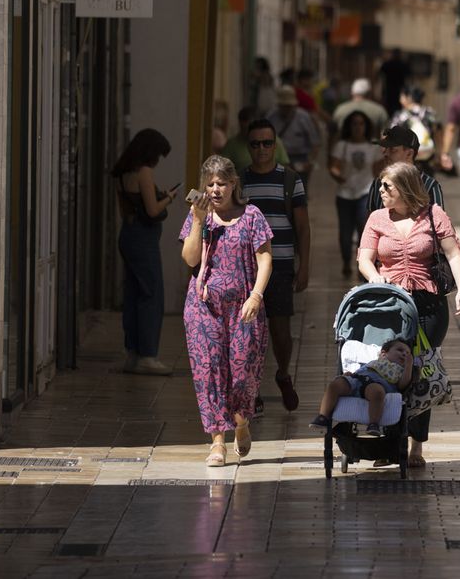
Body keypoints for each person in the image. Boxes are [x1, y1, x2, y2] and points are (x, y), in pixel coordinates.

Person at [358, 162, 460, 467]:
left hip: (429, 304)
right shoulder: (377, 219)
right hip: (392, 304)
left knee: (419, 369)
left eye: (387, 187)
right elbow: (364, 258)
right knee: (392, 370)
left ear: (405, 188)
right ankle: (392, 443)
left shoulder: (435, 215)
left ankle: (416, 445)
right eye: (381, 186)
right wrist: (373, 277)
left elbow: (453, 252)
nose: (381, 192)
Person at [180, 155, 272, 466]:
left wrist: (256, 296)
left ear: (234, 184)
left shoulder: (252, 216)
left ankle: (241, 421)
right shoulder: (201, 217)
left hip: (244, 306)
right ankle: (217, 441)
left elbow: (265, 258)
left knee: (242, 373)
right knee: (209, 372)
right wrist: (196, 221)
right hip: (204, 307)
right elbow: (190, 259)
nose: (216, 189)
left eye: (222, 183)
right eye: (210, 184)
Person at [242, 118, 310, 412]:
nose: (262, 149)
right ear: (249, 147)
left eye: (267, 143)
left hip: (281, 266)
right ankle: (252, 389)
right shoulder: (239, 181)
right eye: (256, 144)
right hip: (245, 270)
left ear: (275, 145)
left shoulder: (289, 179)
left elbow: (303, 227)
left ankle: (283, 373)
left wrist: (304, 265)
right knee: (248, 334)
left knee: (280, 330)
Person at [110, 128, 178, 375]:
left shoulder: (122, 173)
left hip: (127, 235)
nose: (157, 161)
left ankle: (132, 352)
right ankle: (148, 355)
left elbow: (124, 211)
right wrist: (169, 197)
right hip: (144, 238)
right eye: (158, 155)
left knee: (132, 294)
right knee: (151, 294)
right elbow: (152, 210)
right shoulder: (144, 173)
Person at [310, 339, 415, 435]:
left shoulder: (401, 370)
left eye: (408, 353)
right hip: (357, 380)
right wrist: (348, 375)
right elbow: (360, 371)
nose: (404, 354)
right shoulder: (376, 362)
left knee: (377, 393)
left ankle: (373, 423)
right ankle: (323, 416)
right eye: (400, 350)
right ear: (383, 353)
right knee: (335, 385)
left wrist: (408, 366)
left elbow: (403, 385)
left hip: (376, 385)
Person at [331, 111, 377, 276]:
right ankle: (346, 262)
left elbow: (378, 170)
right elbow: (334, 167)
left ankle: (362, 263)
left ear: (366, 126)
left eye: (361, 123)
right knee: (345, 232)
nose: (358, 127)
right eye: (354, 124)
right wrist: (339, 176)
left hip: (365, 193)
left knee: (364, 230)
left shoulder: (373, 147)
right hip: (344, 194)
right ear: (349, 127)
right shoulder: (342, 146)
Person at [367, 124, 446, 213]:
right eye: (385, 149)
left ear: (409, 154)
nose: (386, 154)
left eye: (392, 150)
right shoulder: (378, 184)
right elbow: (369, 222)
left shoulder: (430, 186)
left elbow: (439, 224)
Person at [269, 86, 323, 177]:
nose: (286, 109)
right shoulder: (271, 117)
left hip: (300, 159)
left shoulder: (303, 117)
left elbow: (315, 143)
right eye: (284, 105)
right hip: (278, 158)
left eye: (289, 106)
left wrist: (310, 161)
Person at [224, 105, 291, 170]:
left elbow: (285, 166)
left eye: (266, 144)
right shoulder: (232, 144)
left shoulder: (273, 140)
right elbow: (224, 169)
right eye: (254, 144)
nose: (261, 148)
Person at [391, 86, 439, 165]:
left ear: (409, 98)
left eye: (402, 97)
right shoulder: (430, 112)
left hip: (407, 158)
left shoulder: (401, 115)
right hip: (428, 155)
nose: (400, 100)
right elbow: (438, 131)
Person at [378, 47, 411, 114]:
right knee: (399, 110)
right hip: (399, 90)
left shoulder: (387, 64)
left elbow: (379, 74)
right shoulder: (403, 65)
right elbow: (409, 76)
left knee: (389, 110)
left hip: (389, 91)